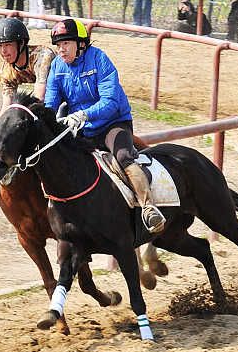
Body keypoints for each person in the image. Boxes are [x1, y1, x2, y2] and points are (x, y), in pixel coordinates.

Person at [44, 18, 166, 234]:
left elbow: (110, 102)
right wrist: (47, 119)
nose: (61, 50)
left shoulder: (99, 59)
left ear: (81, 43)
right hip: (81, 128)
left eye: (66, 44)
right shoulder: (56, 66)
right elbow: (50, 104)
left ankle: (148, 208)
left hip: (113, 123)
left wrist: (83, 115)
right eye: (58, 45)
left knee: (123, 157)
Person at [0, 17, 55, 114]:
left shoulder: (43, 57)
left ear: (21, 43)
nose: (3, 51)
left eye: (8, 45)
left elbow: (39, 98)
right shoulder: (6, 71)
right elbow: (6, 106)